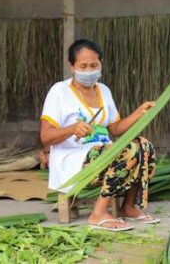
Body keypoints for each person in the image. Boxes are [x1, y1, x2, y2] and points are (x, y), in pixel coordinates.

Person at [39, 39, 158, 231]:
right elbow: (45, 137)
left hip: (104, 152)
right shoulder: (59, 91)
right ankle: (98, 213)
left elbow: (115, 129)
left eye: (93, 65)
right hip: (73, 158)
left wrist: (139, 112)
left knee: (143, 145)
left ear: (101, 63)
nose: (89, 70)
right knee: (121, 151)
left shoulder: (104, 90)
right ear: (72, 67)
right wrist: (72, 129)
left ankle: (128, 206)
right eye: (83, 66)